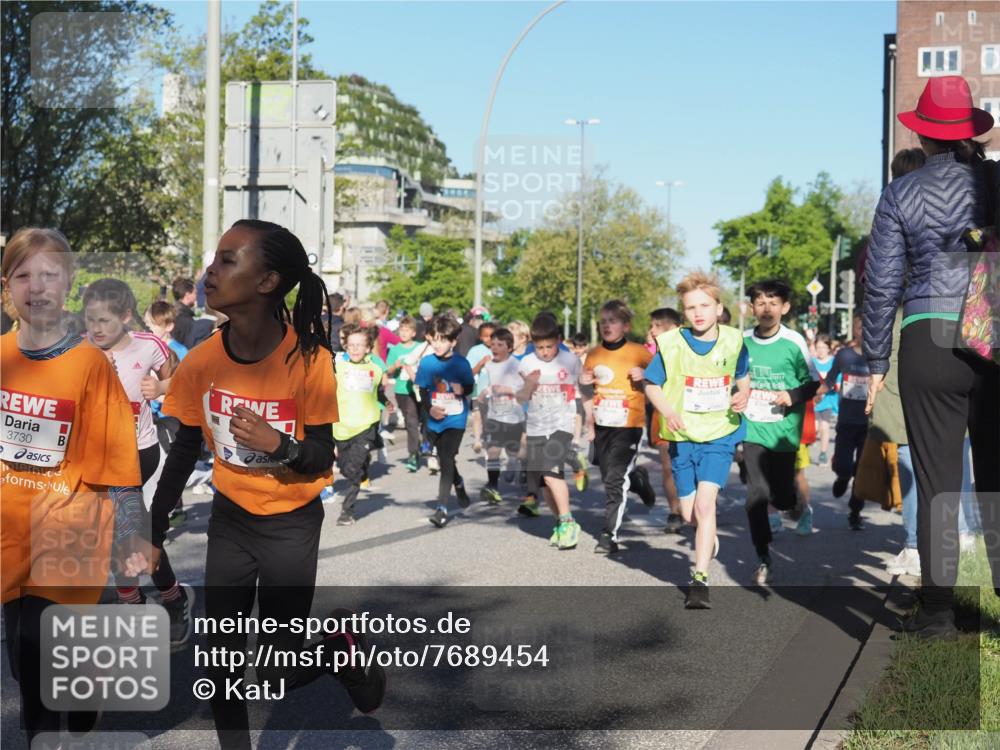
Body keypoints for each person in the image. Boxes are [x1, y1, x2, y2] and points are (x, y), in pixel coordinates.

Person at [148, 220, 384, 749]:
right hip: (232, 519)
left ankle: (334, 651)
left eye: (228, 260)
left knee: (277, 675)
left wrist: (280, 445)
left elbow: (323, 454)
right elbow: (186, 446)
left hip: (291, 525)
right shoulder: (204, 359)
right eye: (214, 259)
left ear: (267, 281)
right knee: (223, 658)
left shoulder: (310, 358)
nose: (211, 271)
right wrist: (154, 523)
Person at [1, 228, 149, 742]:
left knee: (37, 664)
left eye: (49, 275)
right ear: (6, 286)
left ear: (68, 285)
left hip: (70, 528)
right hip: (8, 529)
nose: (36, 287)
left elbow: (120, 463)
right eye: (23, 275)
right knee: (24, 662)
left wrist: (133, 537)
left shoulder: (91, 364)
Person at [865, 76, 999, 639]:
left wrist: (875, 362)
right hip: (993, 334)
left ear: (922, 135)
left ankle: (940, 614)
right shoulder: (994, 179)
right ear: (968, 130)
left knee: (938, 481)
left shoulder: (901, 193)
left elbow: (880, 285)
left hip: (927, 338)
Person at [81, 279, 195, 643]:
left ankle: (161, 601)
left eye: (105, 320)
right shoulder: (81, 348)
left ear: (127, 316)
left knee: (125, 535)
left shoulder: (149, 346)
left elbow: (183, 379)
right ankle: (161, 597)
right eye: (91, 320)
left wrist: (162, 388)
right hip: (95, 456)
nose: (96, 329)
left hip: (136, 453)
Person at [643, 271, 750, 609]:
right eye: (691, 308)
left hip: (719, 433)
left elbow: (744, 378)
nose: (698, 312)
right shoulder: (672, 343)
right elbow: (651, 384)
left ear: (719, 308)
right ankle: (707, 533)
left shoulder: (734, 341)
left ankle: (699, 579)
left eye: (705, 305)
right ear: (684, 312)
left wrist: (743, 395)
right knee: (691, 514)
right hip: (682, 435)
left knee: (706, 507)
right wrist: (667, 411)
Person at [739, 280, 820, 584]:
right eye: (760, 302)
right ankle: (763, 557)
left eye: (773, 302)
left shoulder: (793, 342)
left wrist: (792, 395)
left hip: (785, 433)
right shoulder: (742, 342)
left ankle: (797, 503)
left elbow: (814, 383)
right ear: (752, 308)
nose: (767, 308)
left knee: (782, 497)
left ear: (784, 308)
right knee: (756, 496)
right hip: (753, 430)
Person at [580, 300, 657, 554]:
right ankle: (638, 480)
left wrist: (645, 374)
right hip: (602, 425)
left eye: (612, 321)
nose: (607, 326)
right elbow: (586, 391)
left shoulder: (639, 353)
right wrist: (588, 420)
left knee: (614, 479)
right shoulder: (594, 354)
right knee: (609, 475)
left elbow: (663, 379)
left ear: (626, 326)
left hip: (629, 425)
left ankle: (608, 535)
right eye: (603, 321)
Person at [516, 313, 583, 549]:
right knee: (545, 483)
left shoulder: (570, 361)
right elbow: (520, 397)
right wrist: (529, 385)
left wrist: (587, 425)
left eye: (549, 346)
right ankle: (560, 523)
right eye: (539, 347)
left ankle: (568, 521)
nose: (544, 352)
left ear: (559, 340)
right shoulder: (526, 363)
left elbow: (583, 390)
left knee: (550, 471)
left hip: (561, 425)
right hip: (536, 425)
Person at [415, 314, 475, 528]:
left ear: (453, 341)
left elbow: (470, 387)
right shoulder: (427, 363)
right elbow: (422, 391)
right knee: (443, 459)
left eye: (444, 340)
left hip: (455, 420)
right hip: (435, 418)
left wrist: (463, 389)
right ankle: (457, 482)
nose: (438, 344)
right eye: (435, 339)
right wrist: (430, 409)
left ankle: (441, 508)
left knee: (447, 458)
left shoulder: (461, 363)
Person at [332, 324, 389, 526]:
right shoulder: (338, 367)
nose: (355, 349)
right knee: (345, 468)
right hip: (341, 427)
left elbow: (378, 392)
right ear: (346, 347)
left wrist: (387, 403)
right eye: (351, 345)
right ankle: (359, 474)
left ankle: (347, 511)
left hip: (366, 426)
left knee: (353, 468)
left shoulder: (375, 369)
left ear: (368, 348)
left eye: (360, 345)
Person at [821, 314, 870, 530]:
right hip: (847, 420)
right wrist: (814, 393)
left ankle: (855, 511)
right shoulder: (844, 355)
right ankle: (842, 476)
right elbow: (830, 380)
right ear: (854, 329)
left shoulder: (879, 356)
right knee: (844, 464)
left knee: (862, 471)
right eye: (860, 326)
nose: (864, 331)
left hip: (869, 424)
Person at [478, 327, 526, 504]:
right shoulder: (489, 365)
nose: (495, 348)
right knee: (492, 451)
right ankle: (492, 487)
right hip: (494, 415)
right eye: (493, 344)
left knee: (517, 452)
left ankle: (516, 466)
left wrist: (507, 390)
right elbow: (489, 385)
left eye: (500, 344)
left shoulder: (516, 365)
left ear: (509, 347)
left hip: (513, 416)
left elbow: (525, 389)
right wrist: (484, 392)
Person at [646, 307, 684, 532]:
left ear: (675, 328)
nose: (652, 331)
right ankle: (674, 512)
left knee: (692, 466)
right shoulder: (652, 355)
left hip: (691, 418)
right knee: (668, 466)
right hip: (661, 418)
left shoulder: (690, 352)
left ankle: (697, 506)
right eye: (651, 326)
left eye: (658, 326)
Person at [386, 316, 427, 472]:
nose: (403, 333)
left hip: (420, 388)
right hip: (403, 390)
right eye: (401, 330)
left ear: (413, 333)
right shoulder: (395, 350)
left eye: (407, 330)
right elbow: (388, 370)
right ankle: (413, 454)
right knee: (411, 422)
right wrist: (395, 366)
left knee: (424, 420)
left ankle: (425, 444)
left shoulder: (420, 347)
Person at [465, 321, 496, 453]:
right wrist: (481, 363)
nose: (489, 339)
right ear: (480, 336)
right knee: (477, 414)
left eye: (492, 336)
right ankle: (477, 440)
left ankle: (490, 437)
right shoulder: (475, 350)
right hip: (479, 388)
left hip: (495, 390)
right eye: (485, 336)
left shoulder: (500, 348)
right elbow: (469, 371)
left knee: (491, 415)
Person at [810, 333, 837, 465]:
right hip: (813, 401)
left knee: (825, 427)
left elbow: (838, 382)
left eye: (823, 347)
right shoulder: (812, 362)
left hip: (828, 401)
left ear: (829, 348)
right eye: (818, 347)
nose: (820, 350)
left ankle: (823, 453)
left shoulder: (833, 362)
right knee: (815, 428)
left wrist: (830, 388)